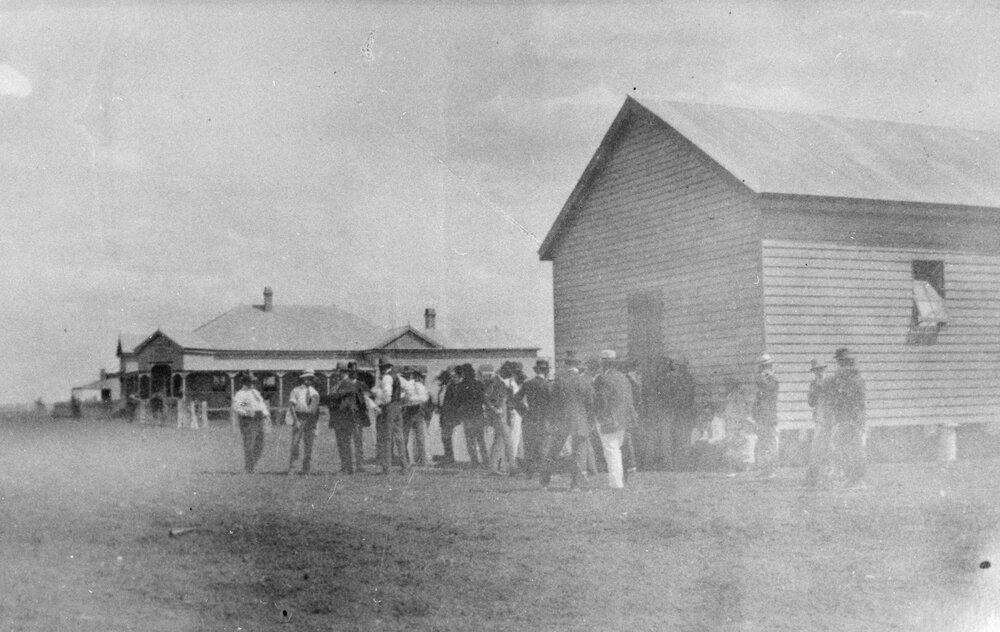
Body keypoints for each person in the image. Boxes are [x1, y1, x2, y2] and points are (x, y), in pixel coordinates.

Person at [540, 351, 595, 491]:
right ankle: (575, 485)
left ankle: (544, 483)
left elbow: (553, 403)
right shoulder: (585, 381)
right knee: (578, 452)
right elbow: (590, 404)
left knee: (553, 451)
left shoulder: (560, 380)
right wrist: (589, 421)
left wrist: (552, 420)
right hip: (579, 420)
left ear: (566, 364)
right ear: (578, 365)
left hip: (562, 420)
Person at [593, 350, 636, 489]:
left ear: (604, 364)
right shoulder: (624, 378)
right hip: (623, 419)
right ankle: (620, 481)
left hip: (609, 419)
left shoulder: (603, 379)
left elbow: (601, 401)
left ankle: (616, 483)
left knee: (611, 451)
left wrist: (599, 416)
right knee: (617, 449)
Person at [829, 348, 867, 489]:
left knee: (855, 450)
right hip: (843, 419)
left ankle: (858, 480)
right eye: (839, 364)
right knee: (843, 449)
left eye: (842, 364)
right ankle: (849, 478)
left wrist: (857, 422)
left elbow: (855, 402)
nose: (839, 367)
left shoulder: (856, 380)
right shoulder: (842, 380)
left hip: (853, 420)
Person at [328, 362, 369, 474]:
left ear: (343, 372)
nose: (336, 373)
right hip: (340, 417)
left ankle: (347, 467)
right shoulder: (338, 383)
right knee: (342, 443)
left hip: (345, 417)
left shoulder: (347, 384)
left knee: (345, 442)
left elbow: (334, 397)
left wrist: (331, 397)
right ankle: (346, 467)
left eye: (339, 371)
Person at [371, 357, 409, 474]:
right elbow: (408, 389)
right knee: (399, 438)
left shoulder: (387, 377)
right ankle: (405, 466)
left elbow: (387, 395)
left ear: (383, 367)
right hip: (397, 407)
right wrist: (402, 402)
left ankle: (387, 468)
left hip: (389, 408)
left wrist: (380, 405)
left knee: (387, 438)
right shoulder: (398, 377)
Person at [517, 359, 552, 478]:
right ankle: (542, 472)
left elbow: (515, 399)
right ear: (546, 371)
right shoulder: (548, 385)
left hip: (529, 418)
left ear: (536, 370)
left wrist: (523, 412)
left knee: (529, 446)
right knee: (543, 446)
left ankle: (529, 473)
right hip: (544, 419)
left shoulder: (527, 383)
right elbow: (553, 403)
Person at [231, 373, 271, 473]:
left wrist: (266, 414)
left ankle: (252, 465)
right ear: (245, 382)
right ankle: (249, 467)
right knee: (249, 443)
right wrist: (246, 411)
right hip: (248, 419)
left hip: (259, 417)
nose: (253, 383)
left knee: (260, 444)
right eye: (251, 381)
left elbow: (261, 404)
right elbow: (236, 406)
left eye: (253, 381)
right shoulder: (241, 394)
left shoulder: (255, 392)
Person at [805, 359, 834, 487]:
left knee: (831, 446)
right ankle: (815, 475)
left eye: (821, 369)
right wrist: (815, 389)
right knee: (816, 447)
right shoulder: (813, 384)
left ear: (824, 369)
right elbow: (811, 402)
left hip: (831, 418)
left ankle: (831, 474)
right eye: (816, 370)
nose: (819, 372)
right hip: (819, 418)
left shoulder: (831, 382)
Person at [286, 371, 321, 475]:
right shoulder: (296, 390)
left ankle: (306, 469)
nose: (308, 380)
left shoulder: (314, 392)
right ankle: (292, 468)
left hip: (310, 418)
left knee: (309, 444)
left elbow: (315, 408)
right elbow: (292, 405)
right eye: (307, 378)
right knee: (295, 443)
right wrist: (295, 420)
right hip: (299, 417)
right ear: (303, 379)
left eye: (310, 378)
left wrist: (315, 423)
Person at [483, 364, 514, 476]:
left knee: (498, 441)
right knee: (508, 441)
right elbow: (486, 396)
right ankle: (512, 467)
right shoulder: (495, 382)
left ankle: (493, 467)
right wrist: (495, 408)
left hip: (502, 412)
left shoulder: (500, 382)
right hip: (500, 414)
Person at [752, 353, 780, 479]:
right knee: (762, 443)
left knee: (770, 443)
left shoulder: (772, 380)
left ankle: (771, 470)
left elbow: (768, 388)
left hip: (769, 417)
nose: (761, 370)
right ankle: (764, 469)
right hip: (761, 417)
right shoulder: (763, 380)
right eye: (761, 367)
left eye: (763, 367)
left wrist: (764, 376)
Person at [454, 364, 487, 467]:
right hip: (478, 414)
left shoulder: (460, 386)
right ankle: (486, 460)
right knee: (481, 439)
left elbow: (458, 401)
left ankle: (474, 461)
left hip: (468, 415)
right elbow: (483, 399)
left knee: (470, 439)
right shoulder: (479, 384)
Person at [400, 366, 430, 466]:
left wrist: (411, 399)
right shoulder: (402, 385)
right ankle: (406, 459)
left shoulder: (417, 385)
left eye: (409, 374)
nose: (407, 376)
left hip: (417, 412)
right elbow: (400, 399)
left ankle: (423, 460)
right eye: (405, 375)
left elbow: (424, 398)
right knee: (404, 437)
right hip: (406, 412)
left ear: (412, 375)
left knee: (420, 437)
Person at [432, 368, 460, 465]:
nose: (440, 381)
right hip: (444, 415)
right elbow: (441, 400)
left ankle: (449, 457)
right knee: (444, 437)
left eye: (441, 379)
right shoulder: (443, 388)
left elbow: (455, 402)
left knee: (446, 436)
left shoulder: (452, 388)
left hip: (449, 416)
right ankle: (448, 455)